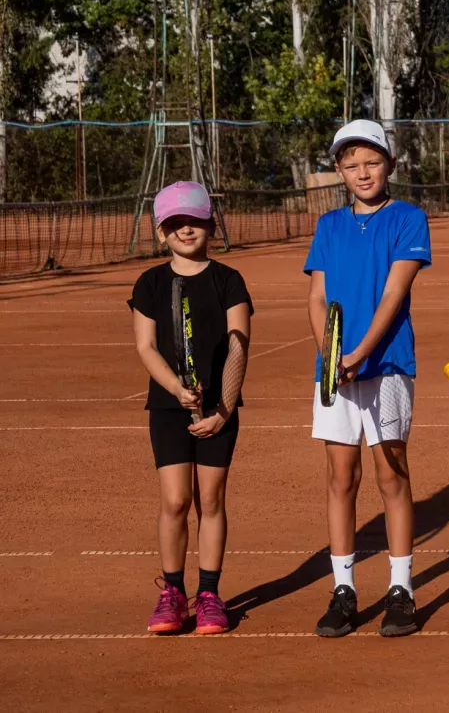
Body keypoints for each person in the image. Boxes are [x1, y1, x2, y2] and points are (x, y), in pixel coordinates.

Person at [305, 120, 432, 638]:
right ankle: (344, 590)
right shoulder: (328, 226)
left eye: (372, 162)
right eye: (351, 163)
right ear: (338, 169)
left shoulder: (408, 218)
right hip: (335, 371)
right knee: (341, 478)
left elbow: (393, 294)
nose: (362, 172)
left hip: (388, 366)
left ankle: (401, 588)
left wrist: (359, 351)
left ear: (390, 165)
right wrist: (331, 354)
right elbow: (316, 297)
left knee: (391, 474)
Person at [131, 181, 253, 635]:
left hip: (219, 408)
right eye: (176, 223)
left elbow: (239, 344)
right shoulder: (150, 283)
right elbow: (145, 347)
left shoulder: (228, 280)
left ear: (211, 225)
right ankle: (172, 593)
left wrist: (221, 408)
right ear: (161, 231)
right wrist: (177, 391)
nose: (187, 229)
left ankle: (209, 594)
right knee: (176, 500)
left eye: (196, 221)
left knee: (211, 500)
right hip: (167, 408)